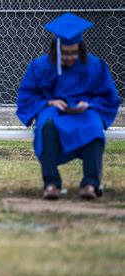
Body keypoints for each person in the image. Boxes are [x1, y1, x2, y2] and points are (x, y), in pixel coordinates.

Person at [16, 13, 120, 200]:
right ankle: (51, 184)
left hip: (84, 109)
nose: (70, 57)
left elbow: (108, 96)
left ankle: (90, 183)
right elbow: (27, 95)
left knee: (94, 126)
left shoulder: (95, 66)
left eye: (73, 52)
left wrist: (88, 104)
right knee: (46, 125)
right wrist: (49, 102)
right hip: (53, 108)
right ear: (56, 49)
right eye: (65, 53)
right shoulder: (41, 66)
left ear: (80, 49)